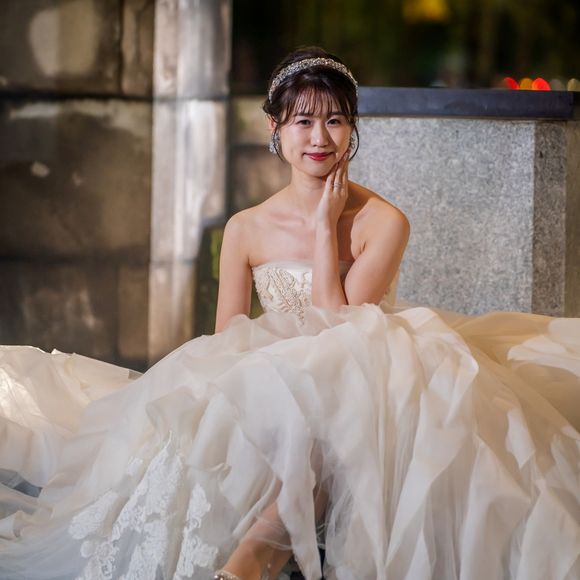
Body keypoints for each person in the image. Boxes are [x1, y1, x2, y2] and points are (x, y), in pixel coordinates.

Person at [0, 46, 579, 580]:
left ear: (352, 128)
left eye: (336, 120)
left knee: (334, 394)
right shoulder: (246, 228)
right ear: (274, 128)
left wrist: (325, 229)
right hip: (273, 370)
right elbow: (226, 337)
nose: (320, 138)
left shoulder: (384, 222)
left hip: (368, 370)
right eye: (303, 121)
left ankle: (253, 558)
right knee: (233, 413)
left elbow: (341, 324)